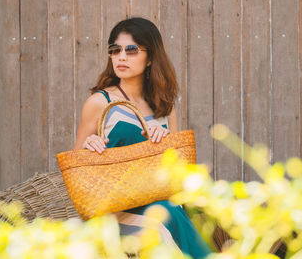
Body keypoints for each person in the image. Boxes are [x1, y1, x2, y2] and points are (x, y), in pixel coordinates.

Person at [72, 17, 212, 258]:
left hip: (161, 205)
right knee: (165, 217)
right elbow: (75, 172)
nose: (121, 57)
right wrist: (88, 147)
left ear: (150, 58)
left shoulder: (165, 106)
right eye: (115, 50)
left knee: (172, 211)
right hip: (113, 213)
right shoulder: (99, 103)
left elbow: (177, 176)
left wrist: (165, 146)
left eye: (131, 50)